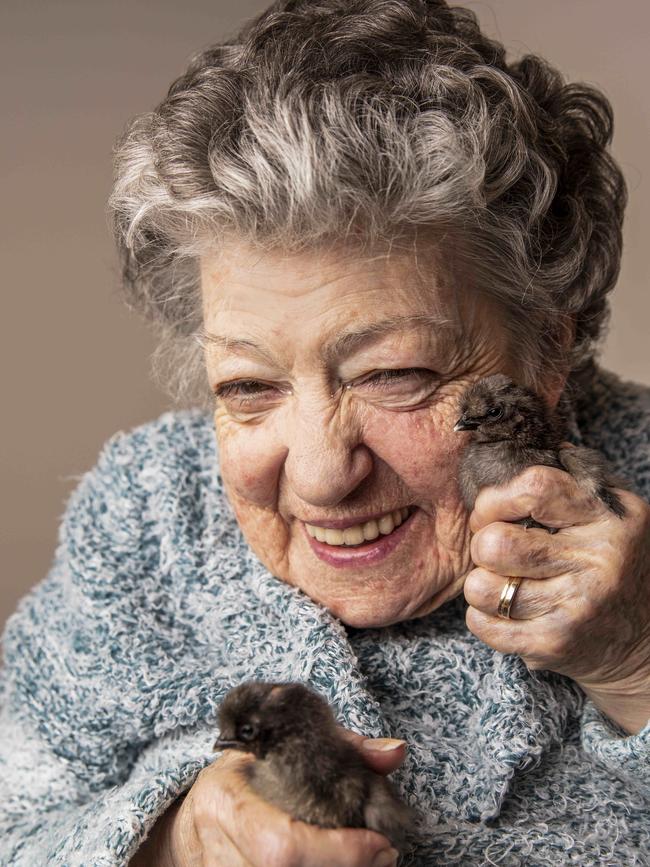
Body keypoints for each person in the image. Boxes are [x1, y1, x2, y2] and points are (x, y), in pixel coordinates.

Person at [2, 1, 649, 864]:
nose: (318, 474)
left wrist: (639, 660)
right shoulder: (149, 514)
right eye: (248, 385)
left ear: (548, 345)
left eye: (394, 375)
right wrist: (169, 842)